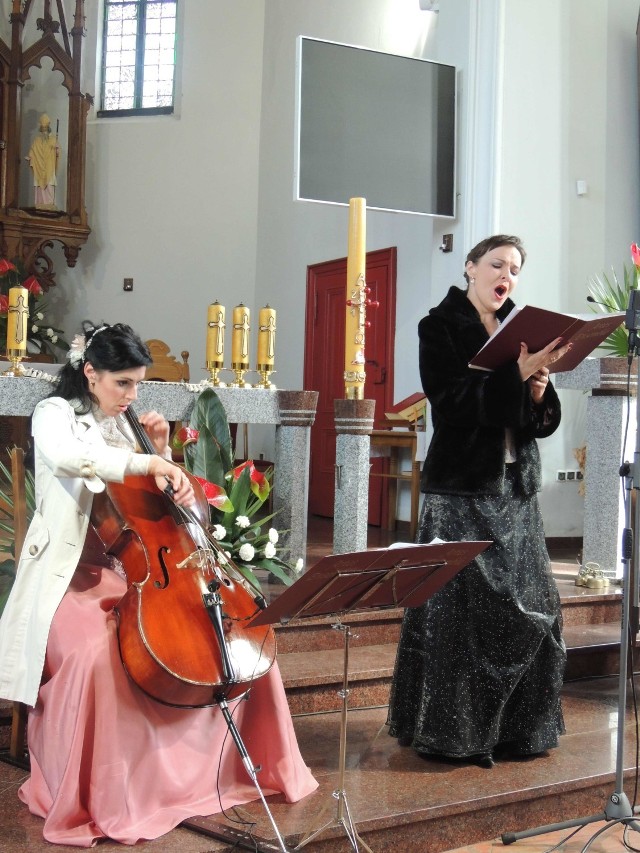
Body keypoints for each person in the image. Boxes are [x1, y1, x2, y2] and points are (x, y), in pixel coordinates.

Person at [0, 321, 317, 846]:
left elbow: (166, 507)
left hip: (139, 569)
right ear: (91, 373)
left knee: (236, 639)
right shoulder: (56, 414)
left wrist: (164, 454)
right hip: (71, 575)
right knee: (99, 658)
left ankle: (232, 772)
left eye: (138, 384)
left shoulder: (130, 424)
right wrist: (143, 458)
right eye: (122, 382)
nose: (132, 395)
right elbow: (70, 458)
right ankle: (113, 793)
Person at [387, 235, 569, 769]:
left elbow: (538, 422)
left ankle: (519, 731)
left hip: (516, 490)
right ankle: (455, 734)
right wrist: (515, 375)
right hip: (461, 492)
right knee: (458, 619)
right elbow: (453, 405)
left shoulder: (522, 331)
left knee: (536, 610)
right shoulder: (438, 326)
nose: (506, 274)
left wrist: (537, 390)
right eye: (496, 263)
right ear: (470, 268)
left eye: (514, 268)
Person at [25, 113, 60, 209]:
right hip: (39, 169)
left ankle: (49, 206)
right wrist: (30, 157)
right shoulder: (37, 140)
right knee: (39, 189)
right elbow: (33, 151)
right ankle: (39, 205)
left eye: (46, 129)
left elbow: (57, 154)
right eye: (43, 129)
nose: (44, 131)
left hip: (49, 168)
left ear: (48, 128)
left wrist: (57, 150)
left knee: (49, 187)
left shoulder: (53, 140)